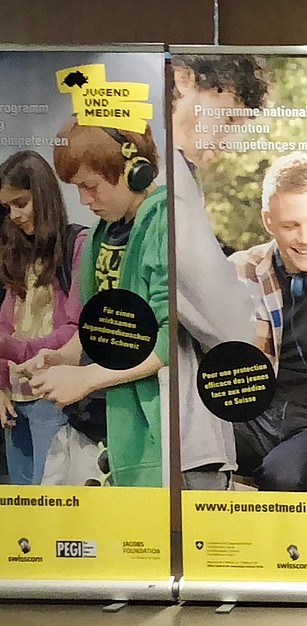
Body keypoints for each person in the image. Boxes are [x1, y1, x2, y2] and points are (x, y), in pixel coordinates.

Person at [22, 120, 169, 488]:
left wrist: (86, 378)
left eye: (91, 187)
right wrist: (62, 358)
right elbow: (95, 330)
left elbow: (169, 339)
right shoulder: (99, 237)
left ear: (135, 172)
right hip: (117, 431)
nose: (85, 201)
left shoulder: (166, 224)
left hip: (161, 433)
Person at [170, 54, 266, 490]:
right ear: (184, 81)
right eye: (226, 118)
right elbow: (225, 319)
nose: (227, 139)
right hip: (187, 431)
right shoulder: (171, 180)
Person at [230, 153, 307, 491]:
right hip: (256, 417)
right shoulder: (240, 271)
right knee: (193, 449)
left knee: (282, 475)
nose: (305, 238)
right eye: (290, 226)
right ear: (268, 222)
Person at [0, 151, 86, 484]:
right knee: (22, 514)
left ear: (43, 196)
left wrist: (14, 349)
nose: (15, 215)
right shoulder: (16, 253)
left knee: (51, 505)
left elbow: (75, 329)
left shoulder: (76, 244)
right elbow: (6, 323)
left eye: (21, 203)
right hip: (14, 403)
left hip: (54, 398)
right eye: (7, 208)